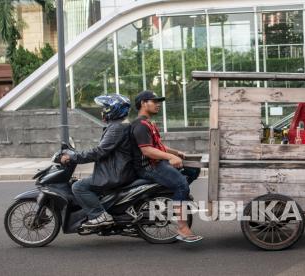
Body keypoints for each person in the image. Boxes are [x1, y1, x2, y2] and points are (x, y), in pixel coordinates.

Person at [130, 90, 202, 243]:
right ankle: (182, 227)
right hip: (148, 167)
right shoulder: (140, 125)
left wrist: (177, 153)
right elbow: (147, 150)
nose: (158, 105)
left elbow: (158, 145)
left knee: (193, 169)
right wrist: (170, 157)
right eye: (154, 101)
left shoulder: (149, 123)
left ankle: (172, 196)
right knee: (181, 184)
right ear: (143, 103)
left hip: (157, 163)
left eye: (158, 102)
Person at [61, 94, 136, 228]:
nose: (103, 111)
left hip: (116, 173)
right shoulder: (120, 125)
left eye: (105, 108)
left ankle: (100, 215)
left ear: (114, 109)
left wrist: (73, 157)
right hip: (118, 169)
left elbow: (99, 152)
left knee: (78, 187)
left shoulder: (116, 128)